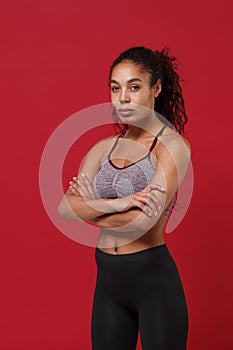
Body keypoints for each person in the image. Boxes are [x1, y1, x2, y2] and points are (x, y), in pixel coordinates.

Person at [58, 46, 191, 350]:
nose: (123, 97)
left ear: (156, 88)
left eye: (134, 86)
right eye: (115, 88)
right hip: (108, 284)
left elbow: (144, 221)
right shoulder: (103, 147)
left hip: (153, 282)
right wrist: (121, 203)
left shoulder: (171, 146)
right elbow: (65, 208)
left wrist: (90, 207)